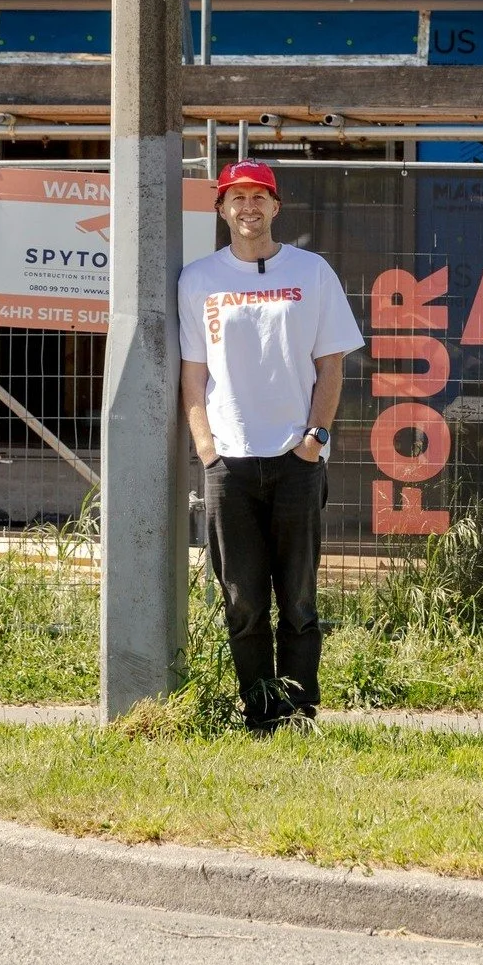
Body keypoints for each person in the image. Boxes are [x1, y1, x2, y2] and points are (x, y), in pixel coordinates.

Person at [178, 159, 364, 731]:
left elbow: (330, 365)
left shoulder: (313, 273)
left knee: (300, 600)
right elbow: (192, 373)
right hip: (228, 463)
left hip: (296, 460)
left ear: (277, 207)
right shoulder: (198, 280)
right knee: (242, 600)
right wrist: (208, 448)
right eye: (237, 198)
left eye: (260, 197)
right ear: (221, 209)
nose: (249, 207)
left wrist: (315, 439)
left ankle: (301, 711)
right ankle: (260, 712)